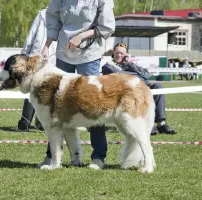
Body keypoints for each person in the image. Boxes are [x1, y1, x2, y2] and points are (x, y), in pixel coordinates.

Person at [39, 0, 115, 170]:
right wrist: (46, 46)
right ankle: (52, 156)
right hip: (64, 54)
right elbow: (53, 19)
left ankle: (98, 157)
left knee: (93, 105)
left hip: (89, 55)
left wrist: (81, 35)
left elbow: (107, 27)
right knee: (56, 108)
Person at [102, 43, 176, 136]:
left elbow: (146, 75)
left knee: (158, 86)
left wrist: (130, 63)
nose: (119, 55)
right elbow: (123, 76)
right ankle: (148, 124)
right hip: (125, 92)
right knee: (140, 91)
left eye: (122, 53)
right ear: (113, 52)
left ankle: (161, 123)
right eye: (117, 52)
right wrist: (137, 74)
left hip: (139, 86)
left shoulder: (129, 64)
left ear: (126, 54)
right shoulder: (108, 66)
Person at [16, 8, 57, 132]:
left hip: (37, 55)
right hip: (53, 57)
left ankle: (25, 123)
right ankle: (41, 123)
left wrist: (24, 53)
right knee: (47, 92)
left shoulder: (43, 13)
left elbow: (31, 34)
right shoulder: (64, 13)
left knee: (33, 91)